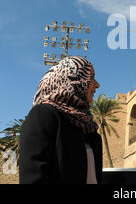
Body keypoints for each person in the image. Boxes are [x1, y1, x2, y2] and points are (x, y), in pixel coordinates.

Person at [19, 56, 102, 184]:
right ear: (74, 79)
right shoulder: (43, 115)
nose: (97, 85)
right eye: (91, 78)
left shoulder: (87, 127)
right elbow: (33, 178)